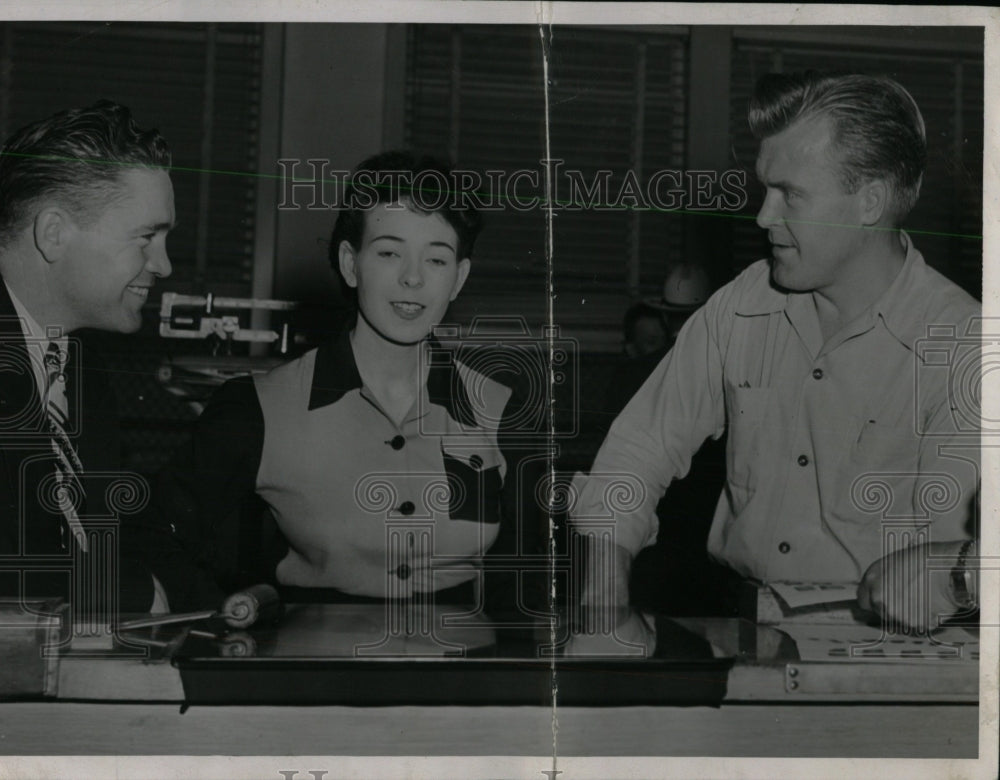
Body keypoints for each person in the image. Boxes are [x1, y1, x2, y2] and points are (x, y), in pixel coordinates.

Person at [571, 72, 980, 631]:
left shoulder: (963, 346)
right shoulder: (742, 303)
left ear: (871, 201)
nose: (764, 217)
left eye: (790, 194)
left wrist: (951, 576)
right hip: (743, 624)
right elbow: (638, 451)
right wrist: (603, 593)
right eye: (766, 189)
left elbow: (961, 561)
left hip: (889, 646)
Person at [144, 151, 546, 613]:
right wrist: (232, 618)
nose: (413, 278)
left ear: (459, 278)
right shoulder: (257, 407)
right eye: (390, 253)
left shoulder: (502, 409)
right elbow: (156, 537)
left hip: (463, 674)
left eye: (436, 260)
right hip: (312, 674)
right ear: (351, 264)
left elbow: (529, 582)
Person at [0, 101, 175, 614]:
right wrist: (140, 595)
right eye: (147, 237)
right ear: (54, 233)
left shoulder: (79, 367)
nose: (162, 265)